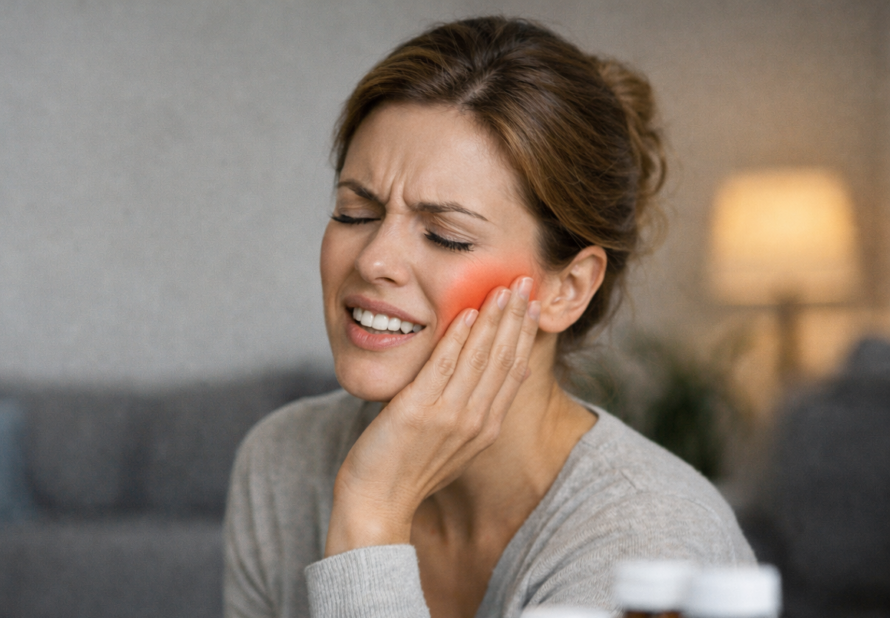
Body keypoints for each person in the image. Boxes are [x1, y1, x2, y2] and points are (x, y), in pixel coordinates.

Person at [224, 16, 754, 618]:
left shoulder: (652, 541)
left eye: (446, 235)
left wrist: (372, 513)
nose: (373, 261)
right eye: (354, 213)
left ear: (567, 289)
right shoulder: (281, 463)